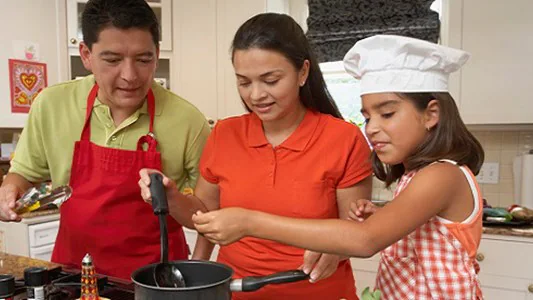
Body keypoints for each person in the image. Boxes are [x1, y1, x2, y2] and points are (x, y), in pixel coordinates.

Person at [192, 34, 485, 300]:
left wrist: (248, 222)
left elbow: (365, 241)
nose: (372, 129)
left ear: (431, 114)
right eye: (368, 117)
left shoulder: (443, 175)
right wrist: (381, 216)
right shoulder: (418, 177)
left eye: (387, 113)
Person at [139, 13, 372, 300]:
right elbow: (205, 216)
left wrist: (335, 250)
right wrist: (172, 197)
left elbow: (355, 232)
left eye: (270, 80)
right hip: (237, 292)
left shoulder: (344, 139)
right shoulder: (225, 133)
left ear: (303, 72)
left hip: (318, 292)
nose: (257, 95)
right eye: (244, 82)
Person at [0, 0, 210, 280]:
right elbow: (23, 174)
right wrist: (9, 193)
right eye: (112, 60)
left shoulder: (188, 121)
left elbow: (206, 216)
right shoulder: (52, 105)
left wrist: (173, 200)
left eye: (144, 59)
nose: (130, 75)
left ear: (157, 54)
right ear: (86, 54)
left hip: (156, 281)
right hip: (74, 276)